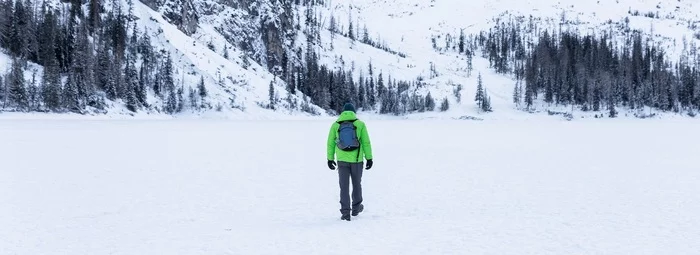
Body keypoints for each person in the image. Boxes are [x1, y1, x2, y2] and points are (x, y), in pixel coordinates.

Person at [327, 103, 373, 221]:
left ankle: (345, 213)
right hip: (357, 161)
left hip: (342, 160)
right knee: (357, 184)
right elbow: (366, 142)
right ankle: (356, 208)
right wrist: (369, 158)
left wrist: (330, 159)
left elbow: (330, 143)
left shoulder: (335, 125)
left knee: (344, 187)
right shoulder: (360, 124)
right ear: (354, 112)